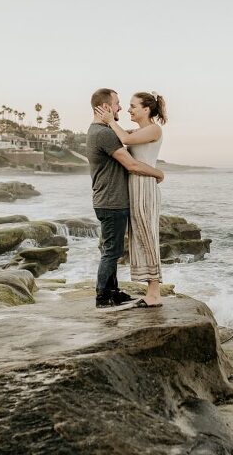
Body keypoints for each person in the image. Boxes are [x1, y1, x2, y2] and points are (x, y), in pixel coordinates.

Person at [86, 88, 164, 308]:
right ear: (106, 107)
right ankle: (106, 294)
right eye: (121, 103)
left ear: (147, 109)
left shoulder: (151, 129)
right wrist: (158, 173)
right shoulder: (106, 132)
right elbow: (129, 157)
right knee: (117, 248)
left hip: (140, 189)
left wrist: (111, 121)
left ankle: (147, 292)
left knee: (143, 238)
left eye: (131, 105)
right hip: (121, 194)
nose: (124, 108)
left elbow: (127, 140)